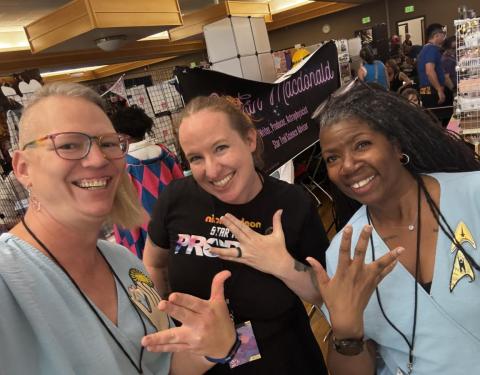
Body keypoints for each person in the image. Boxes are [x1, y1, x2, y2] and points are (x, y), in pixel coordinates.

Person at [1, 82, 239, 374]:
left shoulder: (124, 263)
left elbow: (162, 367)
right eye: (68, 145)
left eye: (108, 143)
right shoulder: (7, 280)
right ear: (23, 167)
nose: (98, 159)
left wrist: (213, 349)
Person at [307, 81, 480, 374]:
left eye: (362, 144)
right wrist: (346, 334)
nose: (346, 166)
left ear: (396, 144)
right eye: (333, 158)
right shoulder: (344, 256)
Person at [143, 95, 329, 374]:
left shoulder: (291, 204)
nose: (212, 170)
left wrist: (284, 266)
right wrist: (168, 320)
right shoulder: (176, 198)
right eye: (195, 158)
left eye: (220, 148)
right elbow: (154, 263)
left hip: (281, 360)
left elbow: (327, 295)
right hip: (206, 363)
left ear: (250, 140)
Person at [111, 105, 184, 259]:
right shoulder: (166, 152)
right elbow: (182, 184)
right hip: (175, 221)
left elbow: (122, 208)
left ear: (124, 136)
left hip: (145, 230)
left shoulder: (124, 164)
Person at [417, 23, 450, 108]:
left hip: (427, 90)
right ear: (436, 36)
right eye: (443, 35)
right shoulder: (431, 49)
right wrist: (439, 90)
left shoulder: (425, 49)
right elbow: (429, 71)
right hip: (432, 90)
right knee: (437, 118)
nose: (444, 37)